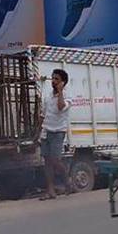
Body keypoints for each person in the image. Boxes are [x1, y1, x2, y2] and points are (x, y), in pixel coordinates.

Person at [40, 68, 71, 200]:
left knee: (55, 160)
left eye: (56, 79)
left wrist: (60, 91)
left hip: (58, 132)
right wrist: (38, 132)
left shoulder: (67, 97)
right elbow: (42, 115)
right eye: (52, 78)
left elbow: (60, 107)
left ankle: (67, 181)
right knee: (47, 161)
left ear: (63, 82)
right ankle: (50, 190)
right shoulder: (47, 97)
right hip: (46, 131)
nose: (53, 81)